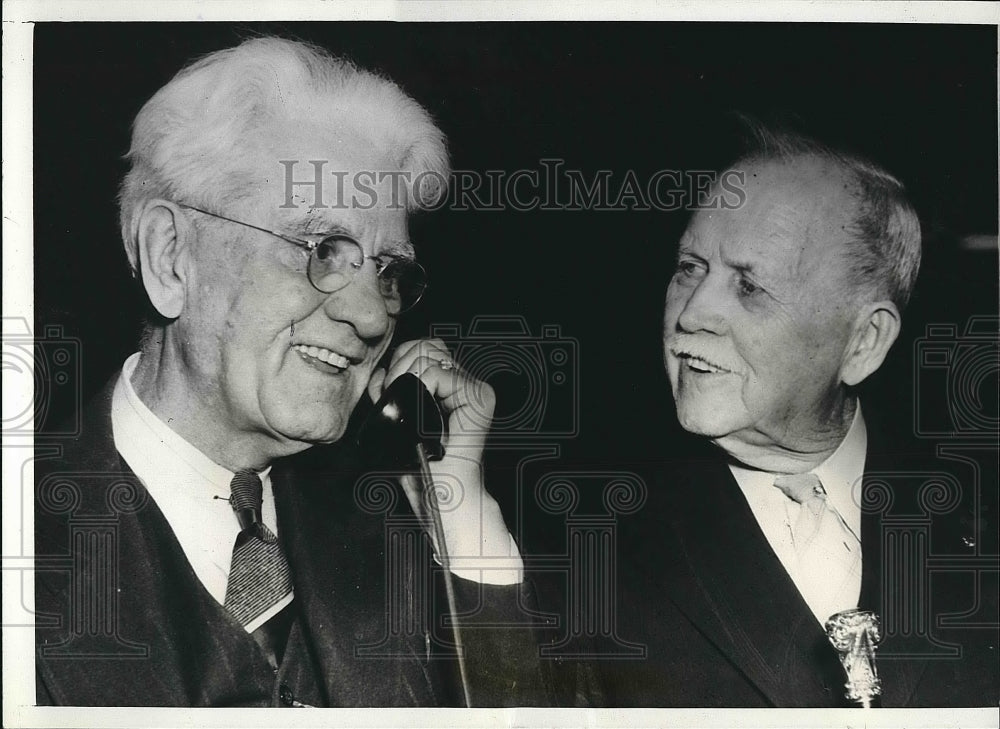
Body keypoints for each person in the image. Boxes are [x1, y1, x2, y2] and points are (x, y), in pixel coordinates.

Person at [34, 37, 546, 707]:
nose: (370, 317)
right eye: (323, 250)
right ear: (170, 257)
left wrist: (462, 521)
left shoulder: (401, 534)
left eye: (390, 273)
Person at [600, 124, 999, 707]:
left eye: (750, 286)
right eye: (690, 267)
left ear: (863, 342)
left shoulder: (977, 520)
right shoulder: (591, 540)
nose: (691, 316)